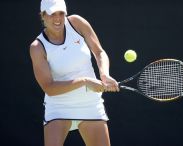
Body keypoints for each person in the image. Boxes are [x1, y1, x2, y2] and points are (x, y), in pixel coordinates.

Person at [29, 0, 119, 145]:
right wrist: (84, 81)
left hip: (90, 103)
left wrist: (104, 74)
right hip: (59, 107)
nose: (58, 19)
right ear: (43, 16)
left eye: (61, 13)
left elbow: (99, 52)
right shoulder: (37, 47)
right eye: (52, 14)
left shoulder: (77, 23)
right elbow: (49, 88)